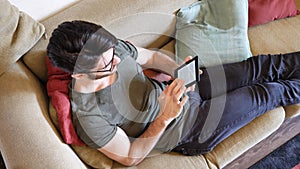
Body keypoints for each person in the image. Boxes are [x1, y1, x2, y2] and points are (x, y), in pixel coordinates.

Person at [47, 20, 300, 166]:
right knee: (269, 92)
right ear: (78, 74)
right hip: (189, 129)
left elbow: (152, 56)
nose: (116, 62)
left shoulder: (109, 49)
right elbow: (131, 157)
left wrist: (179, 70)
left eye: (113, 54)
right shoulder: (89, 117)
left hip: (184, 88)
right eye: (106, 66)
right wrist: (165, 116)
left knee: (262, 65)